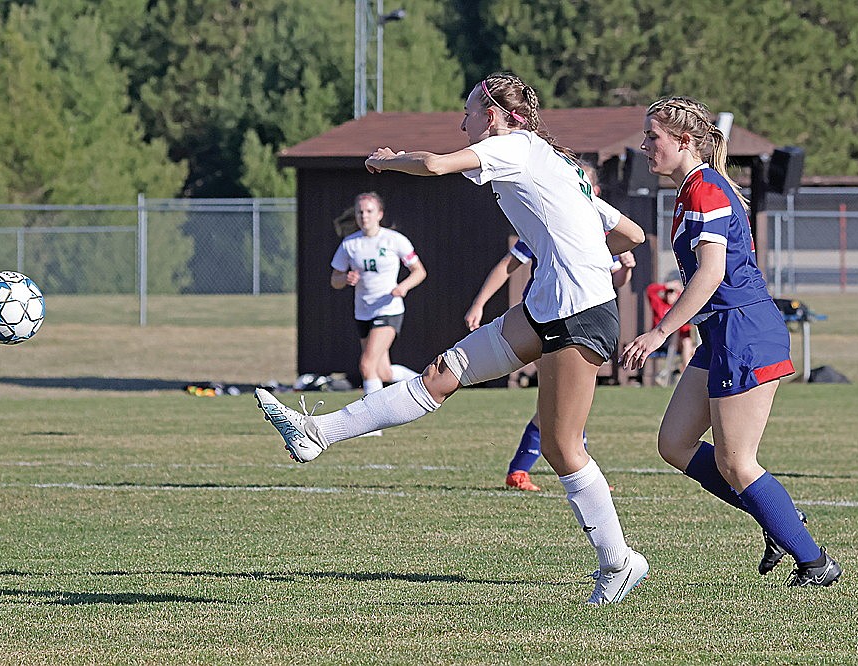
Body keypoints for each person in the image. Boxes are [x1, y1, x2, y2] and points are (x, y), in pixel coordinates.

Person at [257, 72, 649, 605]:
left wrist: (386, 159)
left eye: (466, 113)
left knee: (562, 447)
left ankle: (620, 563)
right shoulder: (549, 162)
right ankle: (315, 433)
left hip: (580, 311)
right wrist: (589, 245)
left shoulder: (515, 147)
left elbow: (437, 164)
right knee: (442, 374)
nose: (460, 123)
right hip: (547, 306)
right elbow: (633, 234)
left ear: (492, 114)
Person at [620, 96, 841, 587]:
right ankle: (777, 519)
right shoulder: (691, 190)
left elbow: (713, 272)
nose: (643, 146)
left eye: (652, 137)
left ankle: (815, 562)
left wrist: (659, 331)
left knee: (737, 461)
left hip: (745, 332)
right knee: (675, 443)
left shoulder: (704, 188)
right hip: (721, 333)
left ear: (683, 141)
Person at [464, 161, 636, 492]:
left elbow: (615, 280)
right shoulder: (548, 225)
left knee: (564, 404)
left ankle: (528, 471)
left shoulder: (597, 232)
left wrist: (625, 267)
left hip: (579, 322)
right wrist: (479, 302)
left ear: (594, 192)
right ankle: (552, 472)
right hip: (545, 319)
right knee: (560, 402)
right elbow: (509, 264)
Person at [331, 192, 427, 431]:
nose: (364, 216)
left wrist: (403, 287)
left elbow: (419, 271)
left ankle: (371, 423)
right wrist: (345, 278)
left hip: (389, 308)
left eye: (369, 211)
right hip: (363, 312)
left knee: (366, 365)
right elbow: (335, 279)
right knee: (382, 371)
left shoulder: (394, 240)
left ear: (380, 214)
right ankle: (424, 384)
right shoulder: (350, 244)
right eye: (360, 212)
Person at [645, 279, 694, 379]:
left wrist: (680, 290)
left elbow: (685, 328)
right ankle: (683, 372)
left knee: (690, 345)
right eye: (668, 292)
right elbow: (650, 290)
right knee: (689, 348)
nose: (669, 295)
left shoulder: (681, 307)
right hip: (662, 340)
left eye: (672, 292)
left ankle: (683, 370)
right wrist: (667, 285)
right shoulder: (659, 304)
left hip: (678, 342)